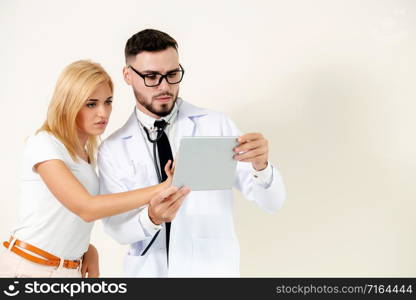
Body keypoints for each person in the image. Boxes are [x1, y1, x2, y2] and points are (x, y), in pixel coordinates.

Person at [98, 29, 286, 277]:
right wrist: (152, 218)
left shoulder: (216, 126)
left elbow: (272, 203)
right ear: (128, 75)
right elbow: (115, 228)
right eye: (151, 76)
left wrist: (261, 167)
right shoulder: (113, 149)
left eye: (172, 74)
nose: (164, 86)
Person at [0, 60, 189, 278]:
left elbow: (63, 214)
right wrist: (162, 188)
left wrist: (88, 249)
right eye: (91, 104)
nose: (103, 113)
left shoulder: (86, 154)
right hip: (28, 268)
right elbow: (86, 208)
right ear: (68, 104)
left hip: (68, 270)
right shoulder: (44, 144)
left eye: (107, 102)